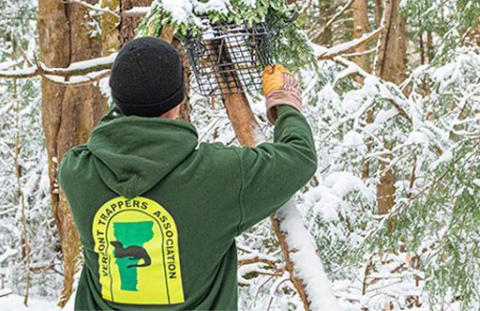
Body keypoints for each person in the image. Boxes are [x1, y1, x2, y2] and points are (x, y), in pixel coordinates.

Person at [58, 37, 317, 311]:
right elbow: (299, 157)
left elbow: (112, 128)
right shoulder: (216, 175)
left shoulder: (77, 173)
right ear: (179, 101)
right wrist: (284, 101)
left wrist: (130, 92)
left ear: (117, 98)